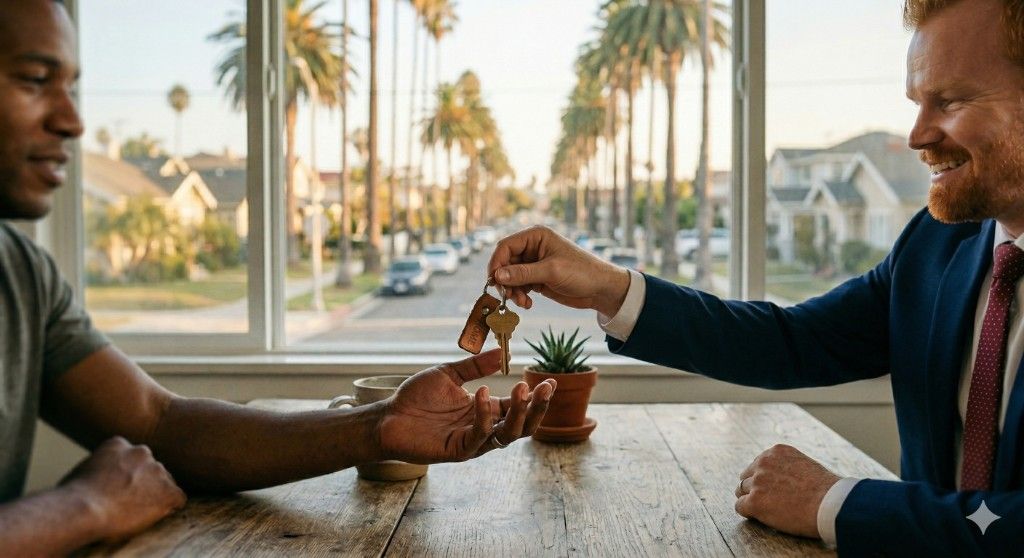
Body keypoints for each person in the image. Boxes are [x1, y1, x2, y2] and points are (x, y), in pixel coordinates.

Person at [0, 1, 556, 555]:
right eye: (34, 80)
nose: (71, 120)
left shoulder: (23, 276)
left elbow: (162, 424)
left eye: (71, 87)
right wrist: (81, 507)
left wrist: (380, 426)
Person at [489, 0, 1024, 554]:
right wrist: (608, 286)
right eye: (917, 103)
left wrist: (835, 504)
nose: (917, 135)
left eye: (951, 101)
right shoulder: (936, 247)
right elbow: (791, 342)